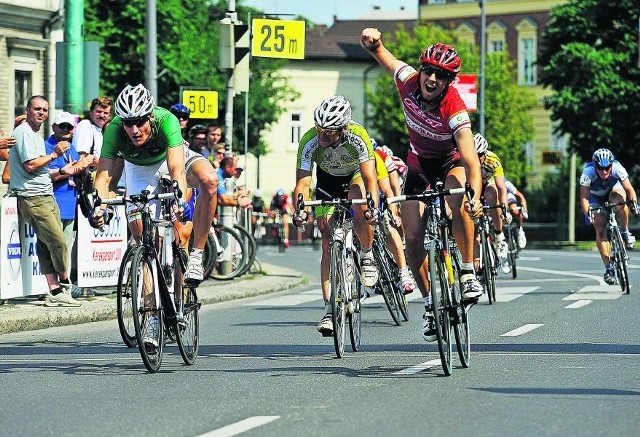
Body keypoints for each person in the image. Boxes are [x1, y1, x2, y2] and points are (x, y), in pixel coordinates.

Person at [360, 29, 483, 343]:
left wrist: (476, 196)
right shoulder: (409, 80)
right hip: (418, 163)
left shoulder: (454, 108)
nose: (432, 79)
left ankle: (467, 271)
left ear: (449, 82)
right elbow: (385, 59)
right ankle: (430, 305)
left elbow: (471, 161)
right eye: (429, 71)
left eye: (441, 76)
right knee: (413, 239)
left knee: (459, 201)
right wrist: (375, 44)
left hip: (450, 160)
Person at [91, 84, 219, 291]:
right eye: (128, 123)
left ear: (150, 116)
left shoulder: (166, 120)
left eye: (140, 122)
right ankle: (150, 312)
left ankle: (195, 257)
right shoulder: (114, 130)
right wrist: (100, 208)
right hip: (140, 168)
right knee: (144, 239)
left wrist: (180, 200)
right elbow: (104, 178)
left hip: (171, 158)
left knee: (209, 181)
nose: (134, 130)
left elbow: (176, 168)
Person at [292, 95, 379, 336]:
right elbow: (303, 182)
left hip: (355, 177)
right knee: (327, 238)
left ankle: (367, 253)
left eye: (329, 133)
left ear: (343, 129)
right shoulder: (310, 140)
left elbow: (370, 178)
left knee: (358, 200)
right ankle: (330, 308)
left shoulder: (358, 137)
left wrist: (373, 208)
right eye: (320, 129)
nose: (322, 136)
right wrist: (299, 210)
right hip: (327, 180)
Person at [9, 96, 80, 307]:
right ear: (27, 110)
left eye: (45, 110)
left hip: (46, 194)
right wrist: (55, 154)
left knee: (45, 243)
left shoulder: (35, 135)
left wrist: (61, 170)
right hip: (32, 197)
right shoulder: (22, 132)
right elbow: (30, 166)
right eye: (37, 109)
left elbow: (40, 171)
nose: (41, 112)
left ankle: (54, 291)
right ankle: (65, 284)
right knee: (58, 241)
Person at [45, 112, 93, 296]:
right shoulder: (47, 147)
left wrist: (84, 167)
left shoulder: (71, 147)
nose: (66, 130)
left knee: (66, 247)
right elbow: (48, 177)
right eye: (62, 126)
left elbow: (77, 174)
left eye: (69, 127)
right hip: (53, 203)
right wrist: (75, 168)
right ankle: (56, 288)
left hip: (70, 205)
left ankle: (64, 286)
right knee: (55, 247)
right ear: (54, 127)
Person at [579, 148, 639, 285]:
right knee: (600, 229)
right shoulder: (587, 173)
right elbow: (584, 198)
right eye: (600, 168)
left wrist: (634, 204)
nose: (604, 171)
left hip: (613, 190)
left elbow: (629, 190)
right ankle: (609, 268)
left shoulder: (618, 168)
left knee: (619, 200)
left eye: (607, 168)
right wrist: (588, 213)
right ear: (595, 165)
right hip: (595, 197)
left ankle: (624, 231)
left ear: (611, 165)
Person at [374, 143, 417, 293]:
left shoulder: (384, 158)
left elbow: (393, 187)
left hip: (387, 189)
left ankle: (403, 272)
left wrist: (396, 206)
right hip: (368, 190)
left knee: (388, 224)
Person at [474, 133, 511, 262]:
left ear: (484, 154)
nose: (477, 158)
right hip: (474, 185)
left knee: (492, 195)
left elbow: (501, 187)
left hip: (489, 183)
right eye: (475, 155)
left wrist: (504, 210)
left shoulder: (492, 160)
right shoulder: (465, 159)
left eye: (479, 155)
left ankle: (499, 234)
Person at [72, 96, 112, 168]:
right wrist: (111, 164)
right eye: (98, 111)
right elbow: (82, 158)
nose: (102, 115)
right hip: (86, 177)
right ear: (91, 112)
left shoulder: (103, 131)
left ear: (109, 116)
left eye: (105, 113)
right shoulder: (85, 125)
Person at [504, 177, 529, 249]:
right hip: (494, 197)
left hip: (507, 196)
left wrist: (525, 209)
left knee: (514, 210)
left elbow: (520, 195)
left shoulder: (506, 183)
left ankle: (520, 230)